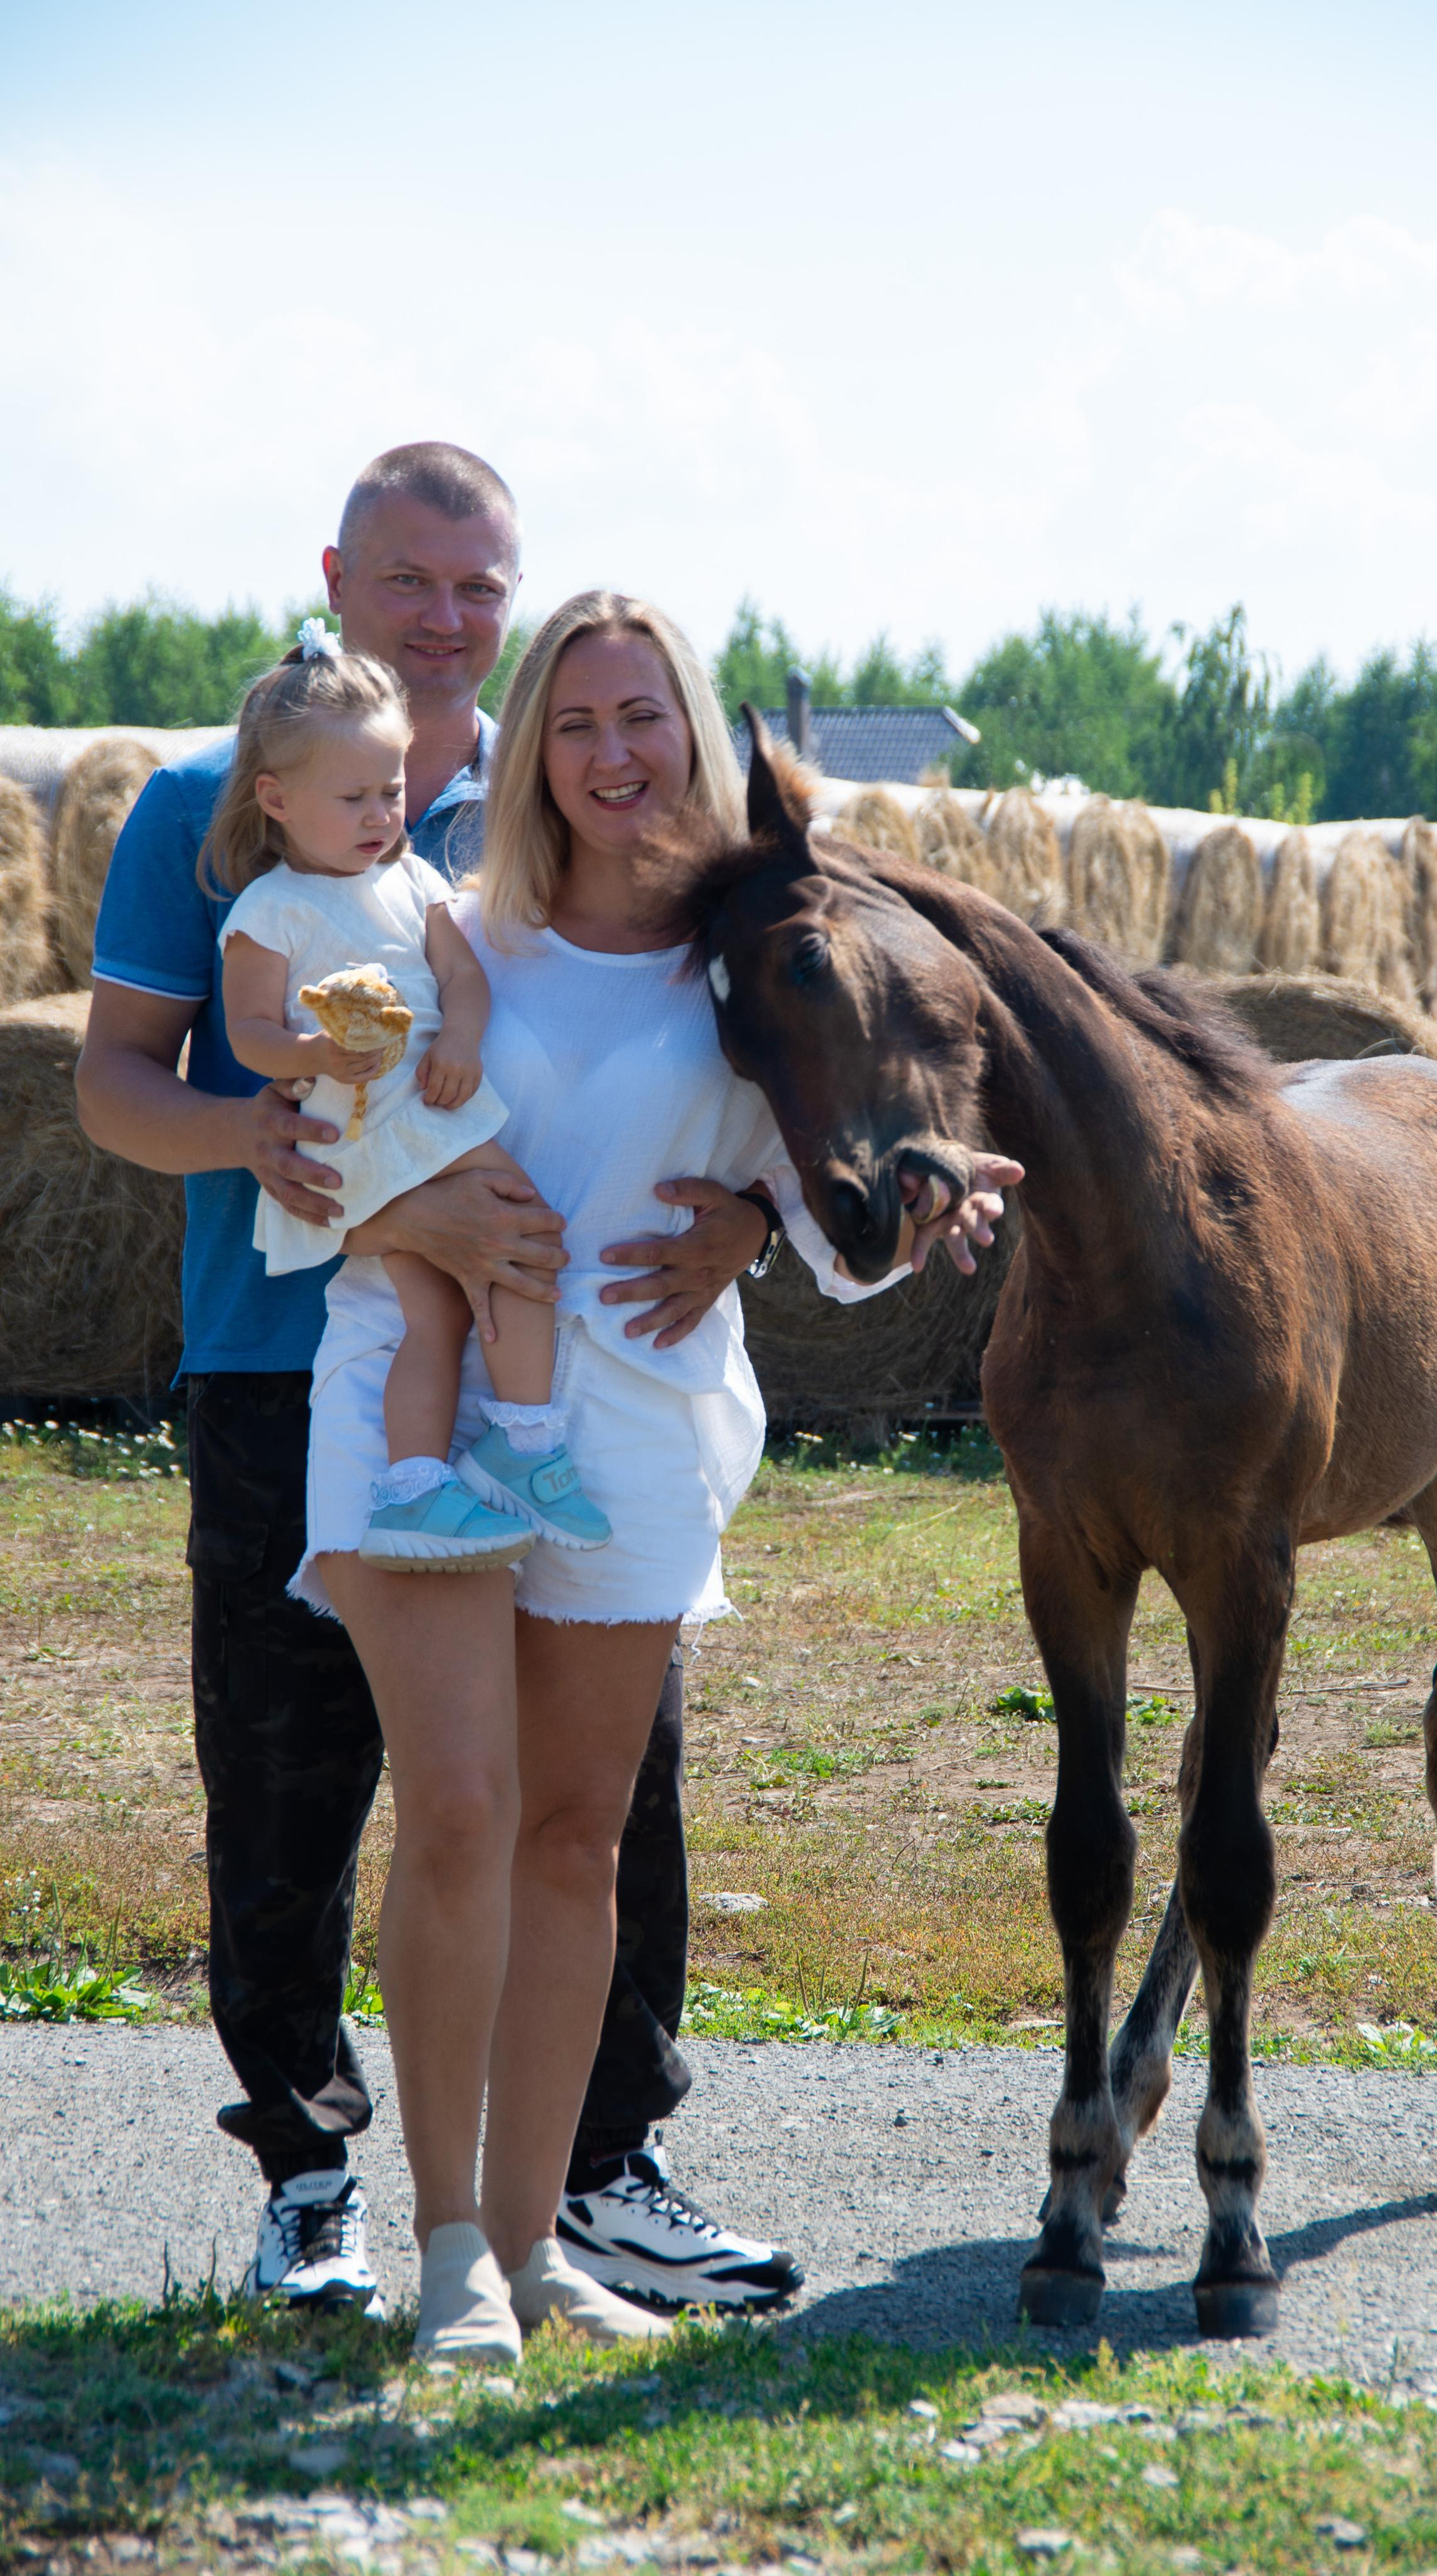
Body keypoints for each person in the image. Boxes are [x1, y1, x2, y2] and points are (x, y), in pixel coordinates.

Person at [77, 444, 802, 2319]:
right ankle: (317, 2175)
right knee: (294, 1794)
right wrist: (255, 1138)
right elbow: (113, 1087)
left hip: (548, 1375)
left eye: (480, 589)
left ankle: (592, 2173)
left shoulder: (533, 811)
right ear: (337, 579)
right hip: (287, 1347)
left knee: (596, 1809)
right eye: (411, 585)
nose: (447, 620)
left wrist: (746, 1215)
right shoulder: (212, 800)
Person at [298, 589, 1015, 2357]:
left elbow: (846, 1217)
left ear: (691, 738)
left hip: (634, 1429)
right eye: (579, 724)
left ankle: (538, 2246)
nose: (615, 756)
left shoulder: (756, 957)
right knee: (457, 1809)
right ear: (535, 748)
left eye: (645, 721)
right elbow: (306, 1166)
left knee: (571, 1834)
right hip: (423, 1403)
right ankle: (451, 2245)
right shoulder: (448, 934)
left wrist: (787, 1219)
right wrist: (414, 1209)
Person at [212, 631, 607, 1563]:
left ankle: (415, 1483)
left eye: (390, 791)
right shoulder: (270, 911)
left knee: (440, 1310)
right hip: (363, 1125)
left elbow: (460, 979)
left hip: (432, 1103)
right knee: (521, 1232)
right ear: (277, 799)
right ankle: (525, 1440)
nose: (380, 814)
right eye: (353, 798)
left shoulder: (414, 877)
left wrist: (462, 1038)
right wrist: (314, 1051)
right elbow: (248, 1037)